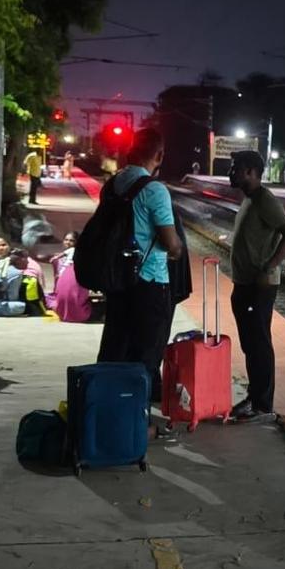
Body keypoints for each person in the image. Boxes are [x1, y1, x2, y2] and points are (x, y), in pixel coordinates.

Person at [96, 128, 184, 404]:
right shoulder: (154, 190)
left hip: (118, 280)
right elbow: (171, 243)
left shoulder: (113, 184)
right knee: (146, 355)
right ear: (159, 155)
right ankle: (137, 416)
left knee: (116, 347)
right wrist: (177, 249)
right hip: (150, 283)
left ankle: (111, 408)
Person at [227, 150, 285, 422]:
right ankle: (255, 397)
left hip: (260, 286)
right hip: (244, 283)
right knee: (250, 343)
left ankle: (263, 405)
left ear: (251, 172)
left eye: (236, 168)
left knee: (259, 343)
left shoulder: (265, 199)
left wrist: (269, 266)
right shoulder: (249, 199)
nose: (231, 172)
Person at [47, 232, 91, 323]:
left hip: (61, 313)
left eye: (71, 240)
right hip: (81, 314)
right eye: (66, 240)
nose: (68, 242)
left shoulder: (69, 255)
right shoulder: (79, 256)